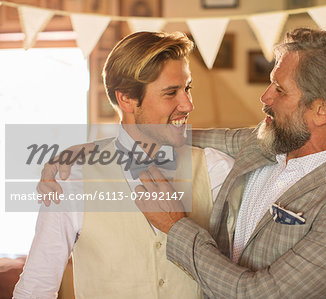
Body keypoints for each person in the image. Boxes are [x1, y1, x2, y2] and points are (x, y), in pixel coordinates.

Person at [30, 29, 326, 298]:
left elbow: (260, 294)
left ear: (321, 110)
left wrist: (175, 226)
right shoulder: (260, 148)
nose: (264, 97)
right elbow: (170, 134)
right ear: (126, 98)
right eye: (173, 91)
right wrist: (80, 155)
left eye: (280, 90)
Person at [13, 31, 235, 299]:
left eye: (187, 88)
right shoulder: (71, 177)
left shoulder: (217, 169)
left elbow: (237, 279)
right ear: (126, 99)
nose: (188, 104)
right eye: (170, 93)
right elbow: (36, 288)